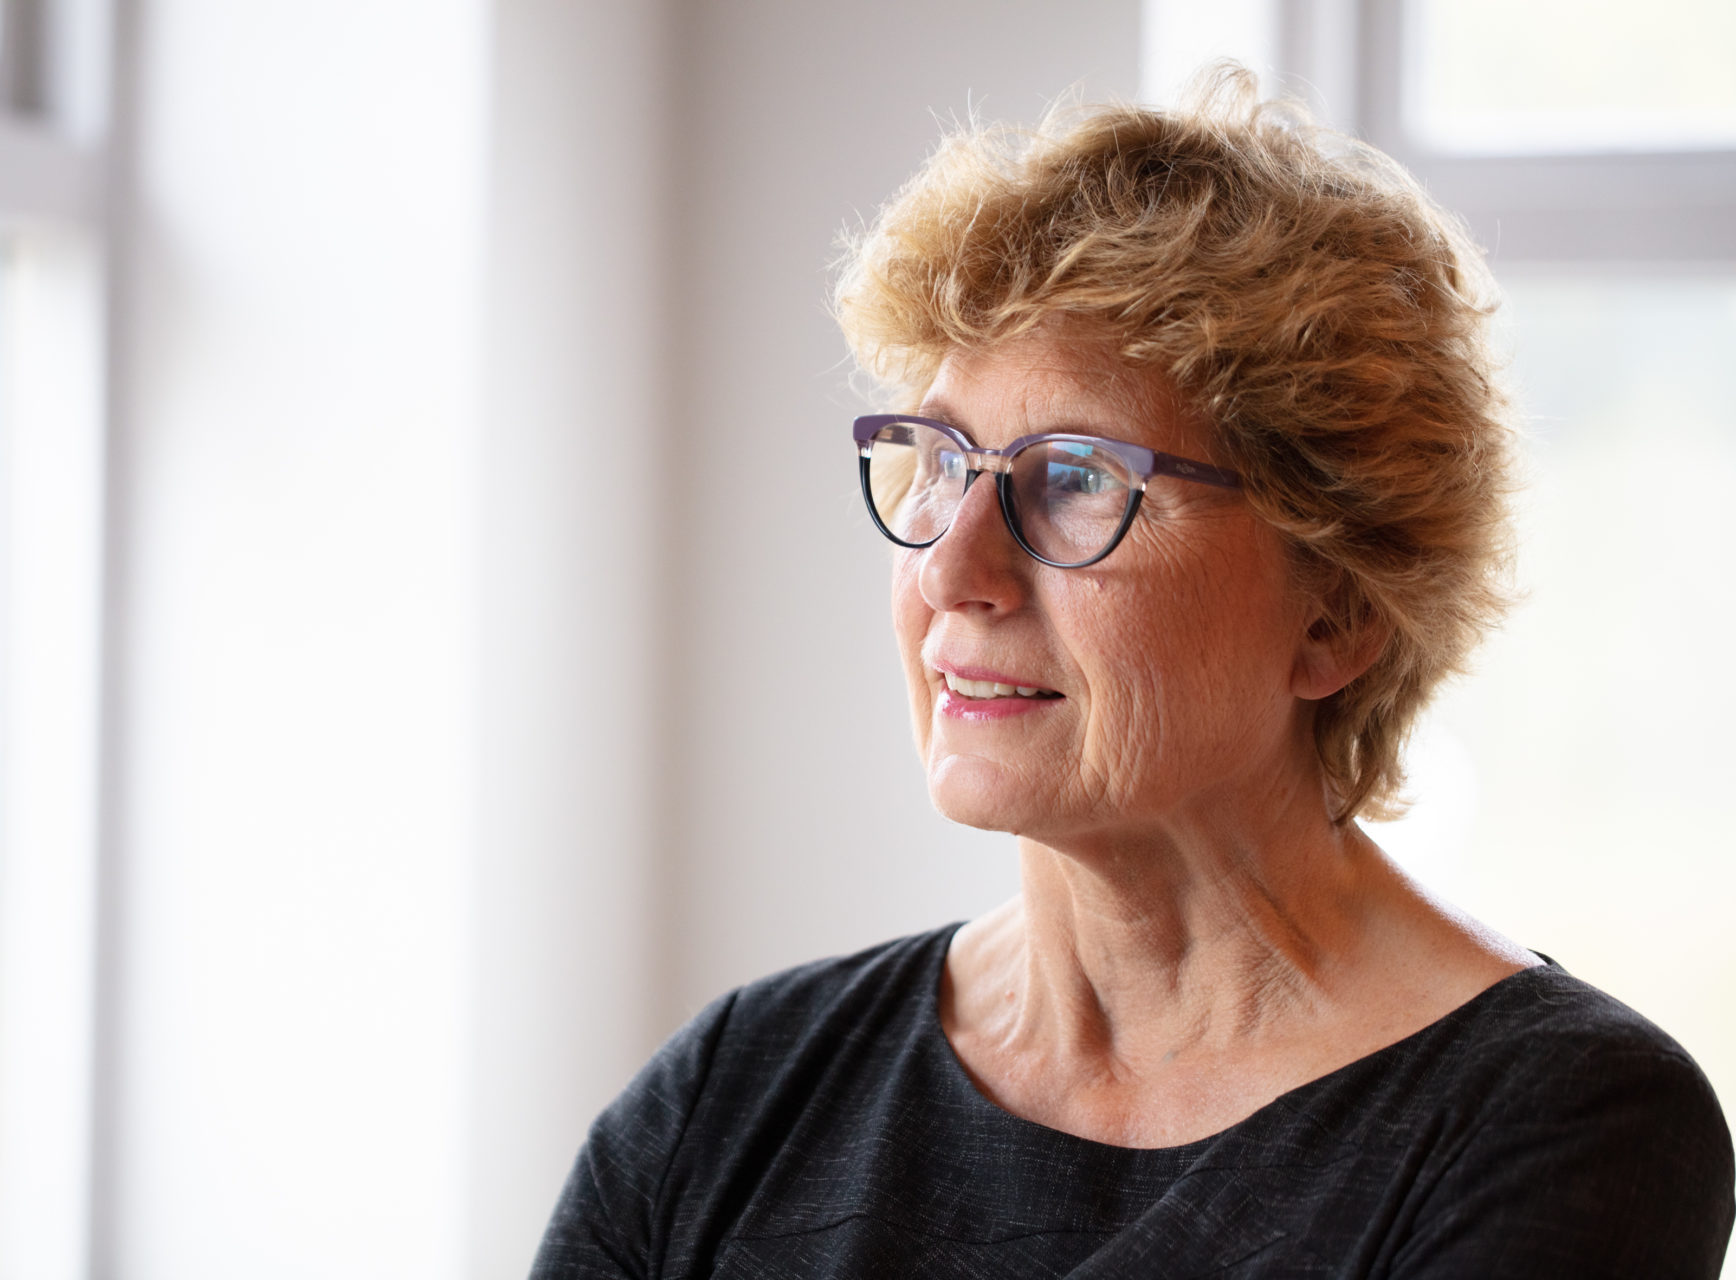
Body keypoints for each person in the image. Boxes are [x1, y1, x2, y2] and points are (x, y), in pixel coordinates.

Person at [531, 67, 1735, 1278]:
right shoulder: (730, 1091)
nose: (951, 567)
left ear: (1338, 612)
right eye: (941, 462)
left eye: (1076, 476)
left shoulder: (1563, 1119)